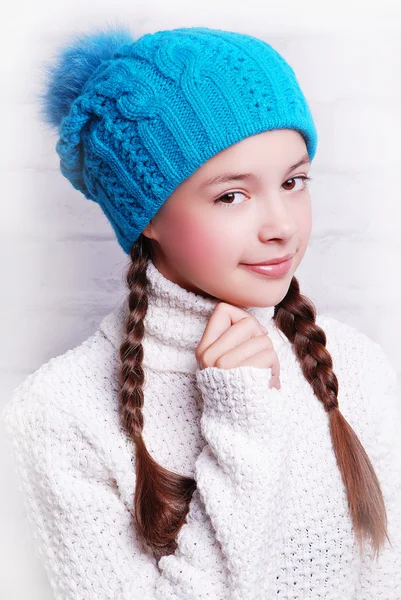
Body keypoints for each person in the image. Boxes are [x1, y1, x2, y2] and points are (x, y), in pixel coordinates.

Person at [2, 24, 401, 600]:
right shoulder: (59, 416)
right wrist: (241, 420)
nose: (282, 225)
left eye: (294, 182)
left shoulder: (356, 367)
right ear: (147, 214)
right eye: (231, 195)